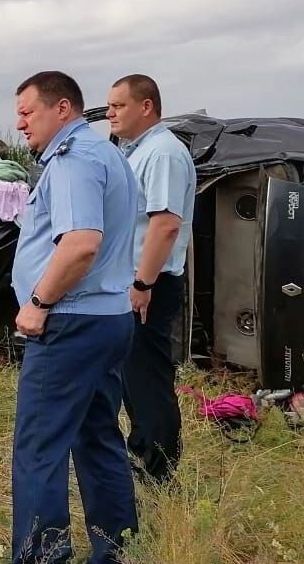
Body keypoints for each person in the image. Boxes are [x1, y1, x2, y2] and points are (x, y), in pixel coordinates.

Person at [9, 71, 139, 564]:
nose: (20, 123)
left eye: (27, 111)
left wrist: (38, 303)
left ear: (62, 109)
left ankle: (41, 557)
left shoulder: (73, 160)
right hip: (107, 319)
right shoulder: (108, 154)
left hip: (70, 323)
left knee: (40, 449)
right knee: (97, 437)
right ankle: (118, 550)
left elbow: (82, 244)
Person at [106, 73, 196, 485]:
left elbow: (165, 226)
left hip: (150, 284)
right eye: (109, 106)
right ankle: (142, 449)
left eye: (119, 105)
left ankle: (157, 469)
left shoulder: (162, 154)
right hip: (137, 282)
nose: (110, 113)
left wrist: (143, 285)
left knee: (148, 377)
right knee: (134, 374)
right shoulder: (134, 152)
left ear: (146, 106)